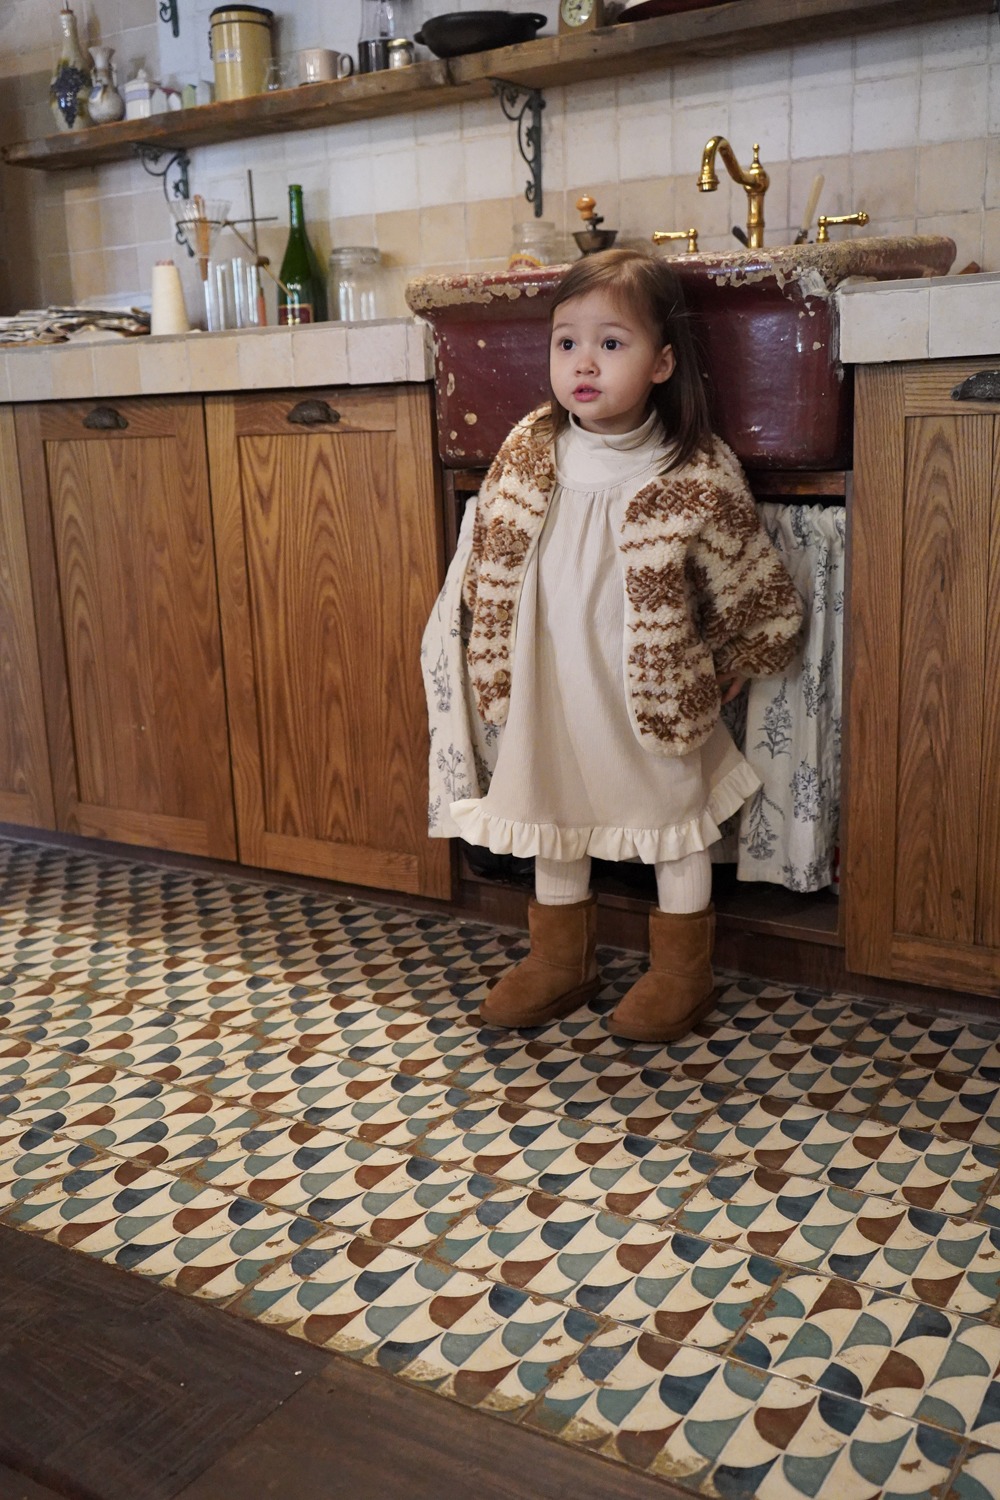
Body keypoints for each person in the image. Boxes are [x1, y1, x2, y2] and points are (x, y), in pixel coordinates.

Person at [423, 247, 803, 1043]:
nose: (583, 363)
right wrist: (485, 639)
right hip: (549, 678)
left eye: (610, 343)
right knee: (549, 799)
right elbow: (491, 546)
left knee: (671, 807)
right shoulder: (530, 446)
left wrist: (739, 650)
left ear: (662, 363)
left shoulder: (693, 466)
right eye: (566, 343)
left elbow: (743, 568)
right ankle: (559, 958)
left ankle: (682, 969)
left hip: (646, 687)